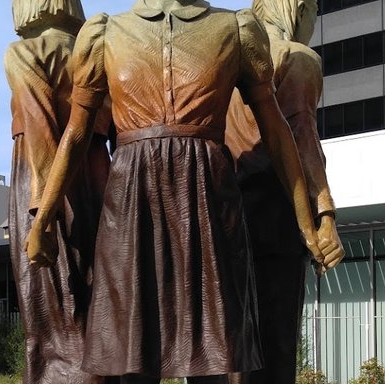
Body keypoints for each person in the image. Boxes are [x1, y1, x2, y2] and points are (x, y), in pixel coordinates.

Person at [26, 1, 339, 382]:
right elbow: (75, 135)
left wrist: (310, 222)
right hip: (131, 206)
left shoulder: (234, 29)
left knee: (212, 355)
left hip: (209, 203)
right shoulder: (105, 34)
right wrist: (43, 217)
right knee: (133, 357)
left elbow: (278, 132)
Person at [225, 0, 344, 383]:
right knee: (275, 349)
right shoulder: (296, 57)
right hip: (278, 212)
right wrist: (325, 214)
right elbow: (302, 136)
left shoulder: (222, 62)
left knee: (229, 347)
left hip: (223, 214)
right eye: (313, 13)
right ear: (298, 9)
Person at [4, 1, 112, 383]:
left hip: (43, 184)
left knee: (52, 313)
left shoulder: (26, 52)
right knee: (98, 301)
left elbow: (39, 129)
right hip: (101, 181)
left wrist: (43, 217)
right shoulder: (99, 49)